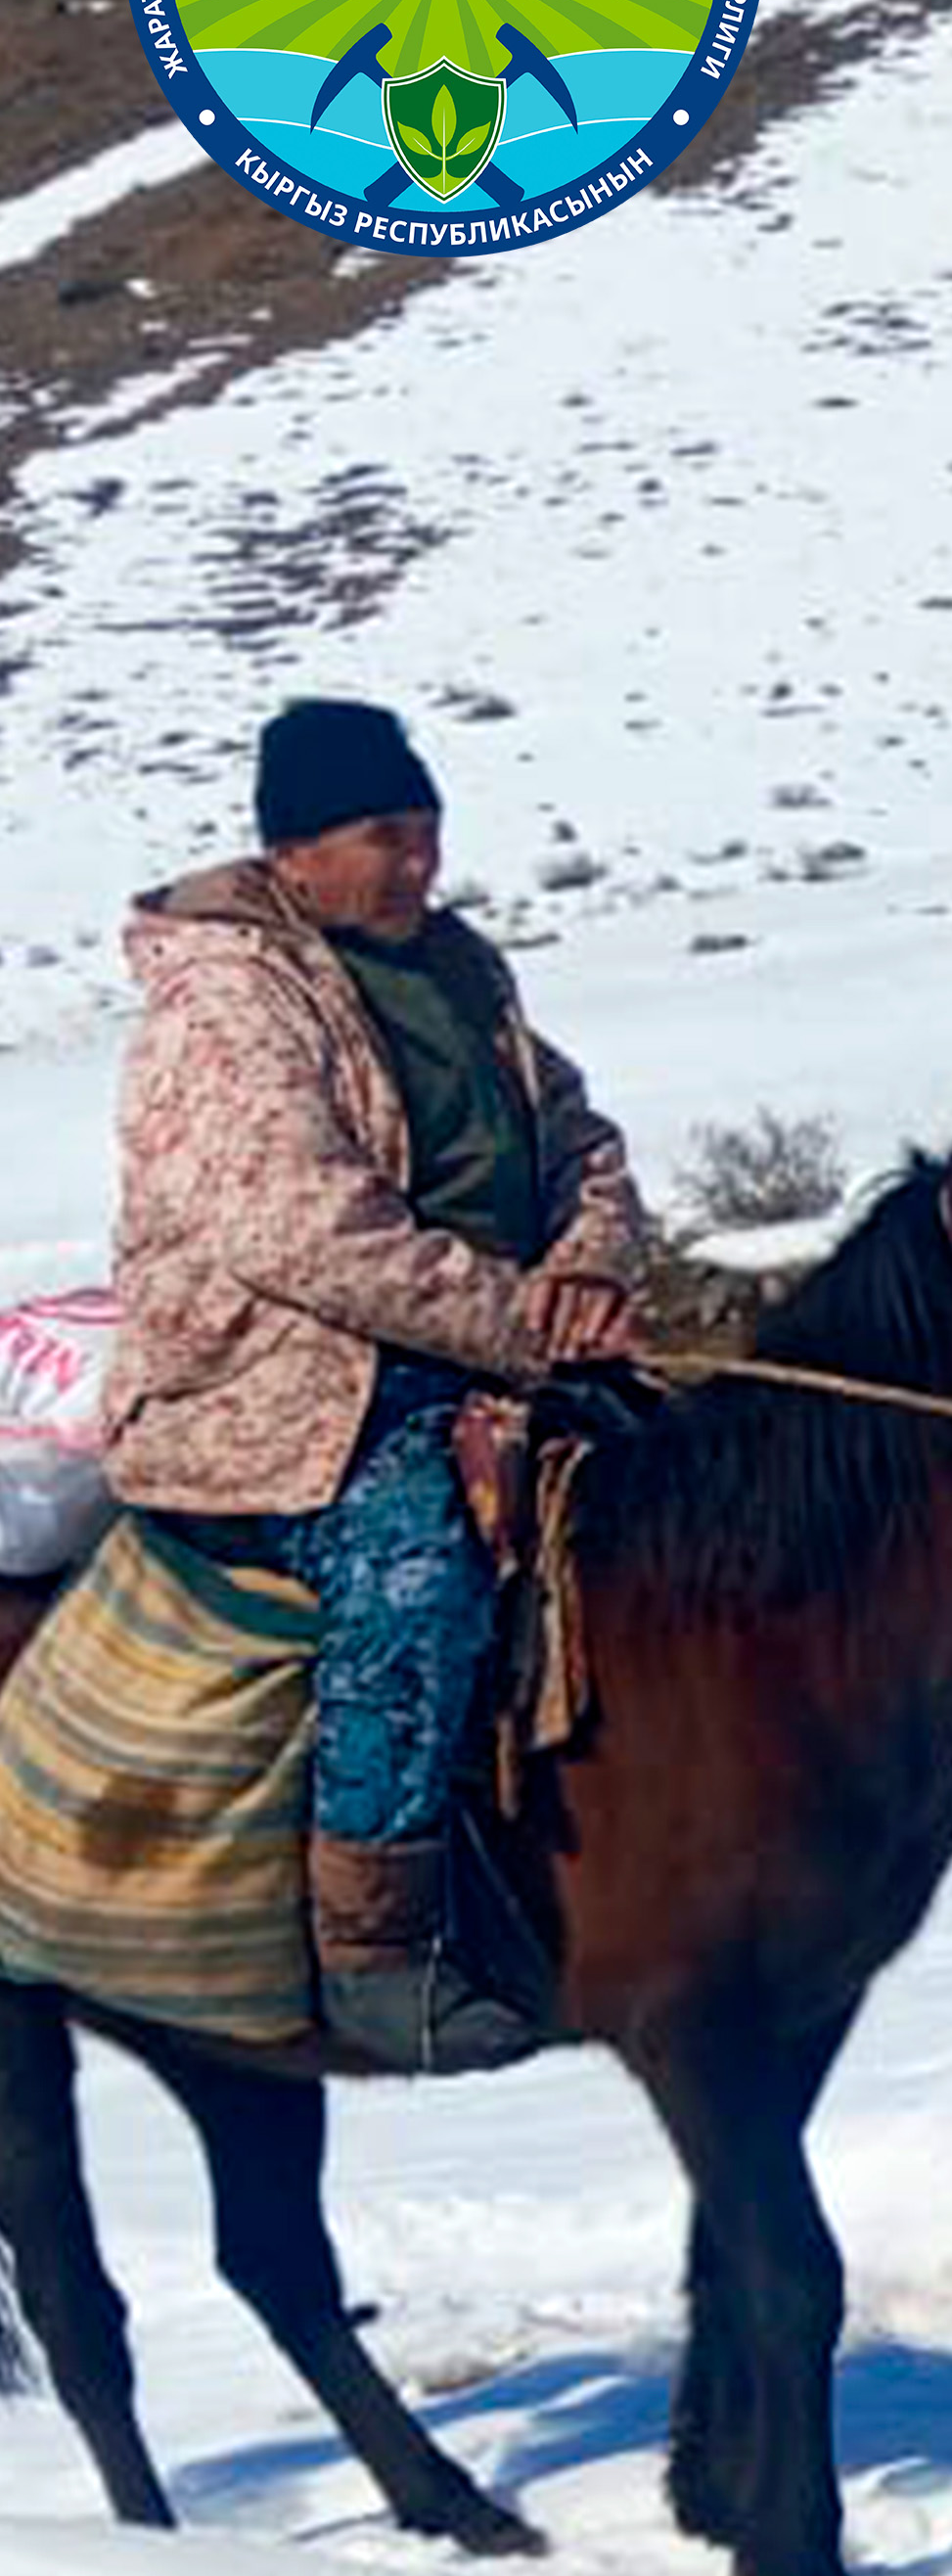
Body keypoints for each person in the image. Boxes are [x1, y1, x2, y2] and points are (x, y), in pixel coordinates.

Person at [107, 699, 651, 2065]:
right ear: (294, 852)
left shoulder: (460, 968)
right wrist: (523, 1322)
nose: (420, 863)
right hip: (279, 1383)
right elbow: (296, 1228)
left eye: (427, 831)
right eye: (386, 837)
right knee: (417, 1572)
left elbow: (577, 1136)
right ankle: (375, 1950)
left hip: (488, 1350)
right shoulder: (228, 998)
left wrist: (590, 1261)